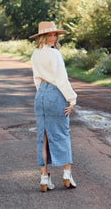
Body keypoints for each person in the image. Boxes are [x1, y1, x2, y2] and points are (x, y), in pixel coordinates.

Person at [29, 21, 77, 192]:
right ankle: (66, 174)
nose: (53, 37)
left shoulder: (35, 54)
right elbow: (61, 80)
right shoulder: (54, 54)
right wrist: (72, 99)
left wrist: (43, 94)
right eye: (49, 34)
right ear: (43, 36)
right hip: (55, 94)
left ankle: (44, 178)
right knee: (62, 134)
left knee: (42, 138)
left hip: (40, 94)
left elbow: (36, 79)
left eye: (55, 34)